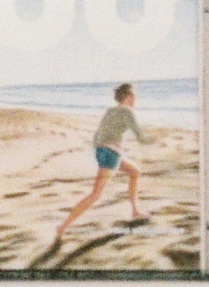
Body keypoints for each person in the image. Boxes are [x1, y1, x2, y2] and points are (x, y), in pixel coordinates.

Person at [54, 82, 151, 240]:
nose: (135, 99)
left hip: (102, 152)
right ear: (127, 97)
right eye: (134, 96)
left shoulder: (110, 111)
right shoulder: (128, 113)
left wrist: (105, 149)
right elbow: (141, 137)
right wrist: (152, 140)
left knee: (135, 171)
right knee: (96, 195)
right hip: (112, 155)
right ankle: (63, 226)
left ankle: (135, 211)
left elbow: (98, 136)